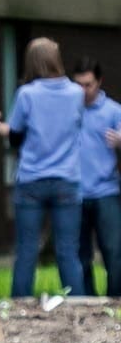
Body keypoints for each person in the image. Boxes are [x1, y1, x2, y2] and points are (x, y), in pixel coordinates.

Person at [0, 38, 84, 297]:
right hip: (67, 179)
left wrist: (1, 129)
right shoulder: (77, 93)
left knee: (27, 250)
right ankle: (79, 304)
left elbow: (17, 137)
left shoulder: (27, 94)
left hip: (31, 180)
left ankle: (19, 307)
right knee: (68, 251)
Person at [70, 58, 121, 297]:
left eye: (88, 84)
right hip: (74, 192)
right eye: (78, 84)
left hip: (106, 192)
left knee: (113, 250)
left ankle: (115, 300)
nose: (83, 90)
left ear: (99, 82)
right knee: (80, 255)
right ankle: (87, 301)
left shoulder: (113, 110)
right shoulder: (68, 108)